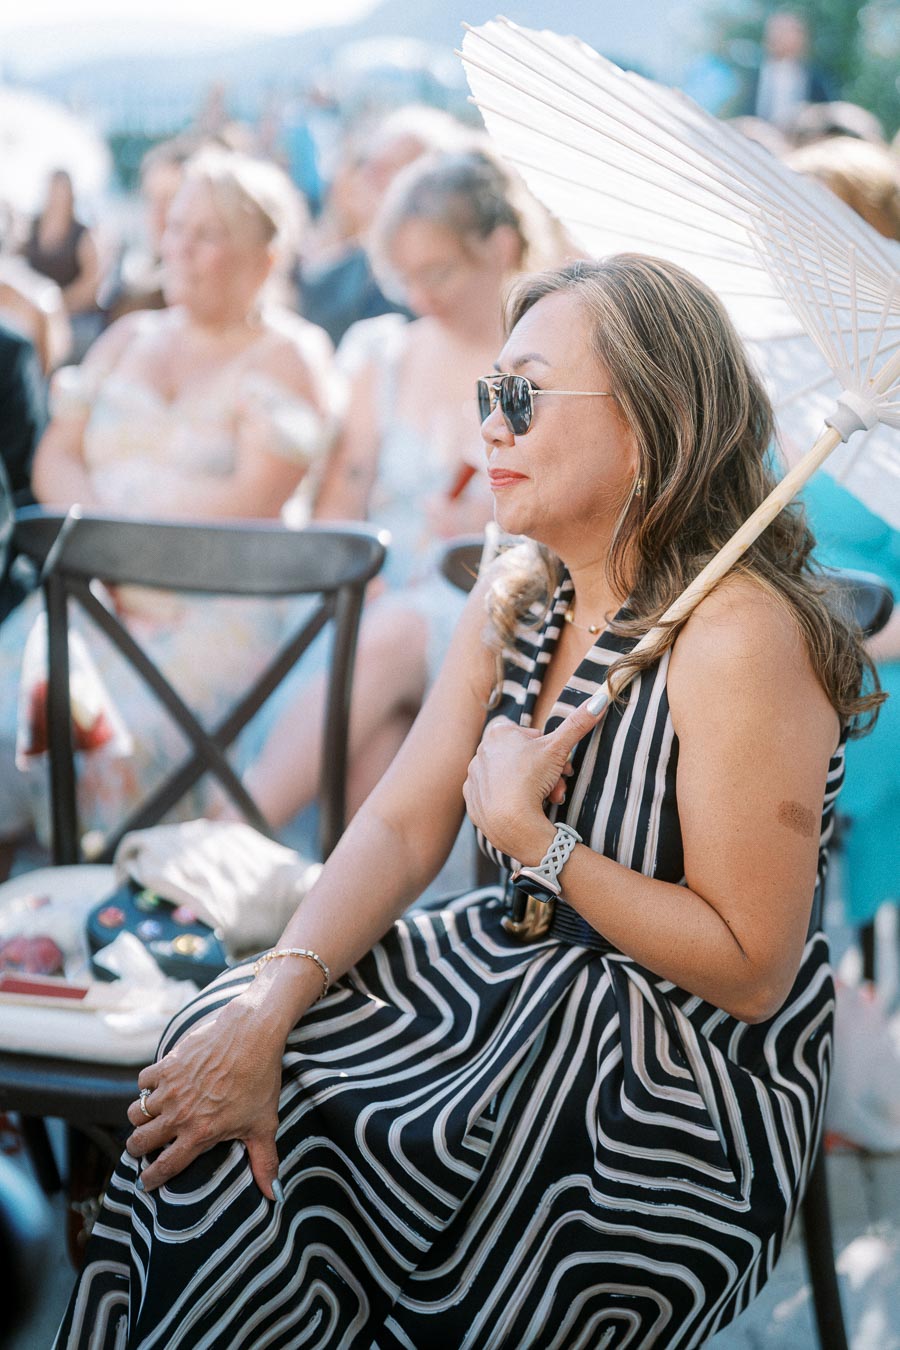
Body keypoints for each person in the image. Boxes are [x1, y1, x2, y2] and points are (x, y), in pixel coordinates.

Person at [56, 254, 878, 1349]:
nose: (488, 423)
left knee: (390, 1170)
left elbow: (753, 968)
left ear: (651, 423)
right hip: (505, 986)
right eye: (487, 393)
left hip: (672, 1080)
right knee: (230, 1044)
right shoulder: (523, 592)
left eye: (523, 395)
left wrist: (539, 844)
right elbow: (400, 825)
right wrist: (272, 1004)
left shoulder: (738, 637)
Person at [0, 149, 335, 865]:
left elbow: (257, 496)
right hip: (93, 598)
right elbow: (56, 455)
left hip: (217, 606)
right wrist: (104, 548)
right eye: (175, 227)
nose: (178, 247)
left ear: (263, 257)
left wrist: (129, 552)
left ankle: (131, 892)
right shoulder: (127, 337)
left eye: (206, 234)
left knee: (130, 730)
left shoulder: (288, 355)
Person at [238, 148, 565, 835]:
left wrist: (499, 522)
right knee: (377, 743)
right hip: (375, 592)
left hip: (491, 603)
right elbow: (339, 505)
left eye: (437, 272)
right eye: (405, 276)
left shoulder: (548, 367)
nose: (419, 296)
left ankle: (225, 830)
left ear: (501, 246)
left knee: (396, 635)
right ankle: (345, 920)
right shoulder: (382, 354)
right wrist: (363, 577)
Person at [23, 170, 103, 358]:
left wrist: (58, 306)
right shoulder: (32, 227)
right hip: (36, 314)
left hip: (74, 316)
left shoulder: (82, 233)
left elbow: (92, 282)